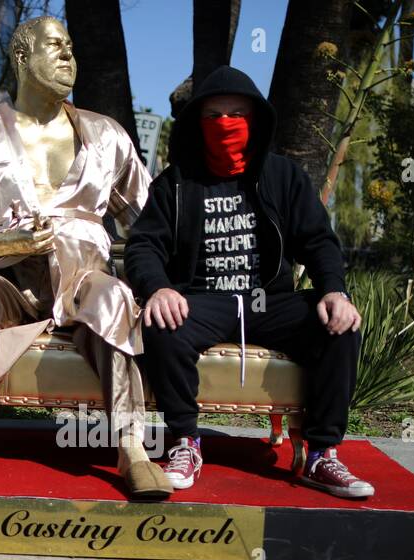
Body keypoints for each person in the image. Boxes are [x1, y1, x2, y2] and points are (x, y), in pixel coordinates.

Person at [0, 15, 172, 500]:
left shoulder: (107, 136)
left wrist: (168, 278)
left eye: (71, 46)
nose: (68, 55)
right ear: (21, 57)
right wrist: (2, 244)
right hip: (5, 279)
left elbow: (150, 222)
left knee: (113, 297)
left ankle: (132, 448)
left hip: (84, 277)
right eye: (54, 45)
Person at [124, 66, 375, 498]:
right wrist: (158, 288)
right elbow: (142, 246)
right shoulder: (177, 183)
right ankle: (186, 442)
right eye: (213, 116)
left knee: (341, 324)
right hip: (202, 300)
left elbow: (318, 241)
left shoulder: (285, 176)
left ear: (255, 120)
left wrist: (335, 290)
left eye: (236, 114)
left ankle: (321, 455)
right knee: (161, 321)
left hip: (270, 300)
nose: (225, 124)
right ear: (196, 125)